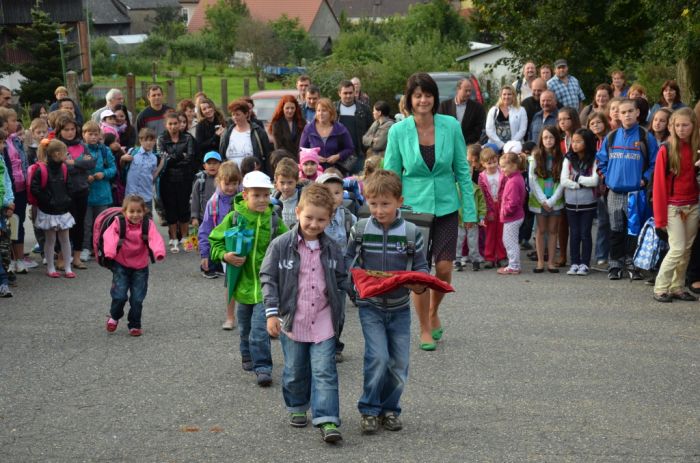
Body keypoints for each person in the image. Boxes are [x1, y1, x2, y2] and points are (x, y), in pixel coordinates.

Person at [383, 72, 476, 351]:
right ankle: (424, 327)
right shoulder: (398, 131)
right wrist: (387, 210)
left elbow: (462, 169)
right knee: (419, 274)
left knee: (444, 269)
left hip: (447, 206)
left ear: (435, 98)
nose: (423, 100)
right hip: (413, 211)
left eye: (428, 95)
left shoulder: (450, 126)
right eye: (417, 95)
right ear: (409, 100)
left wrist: (469, 212)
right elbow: (390, 174)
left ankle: (434, 311)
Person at [344, 169, 429, 434]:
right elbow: (348, 265)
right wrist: (356, 289)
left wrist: (419, 284)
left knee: (399, 363)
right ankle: (369, 409)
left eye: (385, 204)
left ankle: (390, 408)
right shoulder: (359, 229)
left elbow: (422, 269)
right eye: (373, 204)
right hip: (371, 308)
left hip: (400, 308)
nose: (379, 210)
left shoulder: (412, 232)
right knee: (377, 357)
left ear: (399, 201)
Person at [261, 183, 346, 443]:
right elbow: (268, 276)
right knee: (296, 370)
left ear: (330, 219)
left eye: (321, 219)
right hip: (292, 319)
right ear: (297, 212)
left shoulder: (332, 247)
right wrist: (271, 313)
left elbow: (342, 279)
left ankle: (327, 418)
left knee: (324, 370)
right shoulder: (281, 245)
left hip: (323, 320)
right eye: (309, 217)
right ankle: (297, 405)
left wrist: (358, 294)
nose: (313, 224)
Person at [208, 171, 288, 386]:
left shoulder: (273, 219)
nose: (262, 200)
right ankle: (247, 355)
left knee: (259, 330)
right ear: (245, 195)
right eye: (257, 195)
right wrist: (224, 256)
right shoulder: (234, 218)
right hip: (242, 286)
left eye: (266, 195)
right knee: (245, 327)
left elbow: (289, 243)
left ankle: (263, 367)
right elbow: (215, 240)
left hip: (266, 288)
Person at [596, 98, 658, 280]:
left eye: (630, 111)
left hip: (635, 193)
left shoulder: (646, 137)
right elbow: (601, 161)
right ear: (617, 115)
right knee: (615, 229)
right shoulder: (612, 137)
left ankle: (633, 263)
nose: (627, 115)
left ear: (637, 113)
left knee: (633, 229)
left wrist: (645, 179)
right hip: (614, 192)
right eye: (623, 112)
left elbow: (654, 163)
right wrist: (607, 178)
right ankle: (615, 264)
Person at [651, 108, 699, 302]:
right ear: (671, 126)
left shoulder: (695, 147)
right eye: (677, 125)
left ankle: (677, 287)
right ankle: (660, 287)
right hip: (673, 206)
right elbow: (659, 186)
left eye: (685, 125)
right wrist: (660, 217)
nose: (681, 129)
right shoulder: (666, 149)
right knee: (677, 248)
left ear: (693, 126)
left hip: (693, 205)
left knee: (686, 249)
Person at [104, 195, 166, 336]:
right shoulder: (118, 223)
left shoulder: (147, 224)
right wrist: (109, 252)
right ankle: (114, 316)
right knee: (119, 296)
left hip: (140, 267)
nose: (135, 215)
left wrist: (159, 252)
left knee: (137, 298)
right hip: (121, 264)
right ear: (124, 212)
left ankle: (135, 324)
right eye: (131, 211)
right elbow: (109, 237)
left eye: (139, 211)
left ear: (144, 211)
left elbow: (154, 238)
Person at [316, 172, 356, 363]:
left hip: (340, 272)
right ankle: (321, 343)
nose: (333, 197)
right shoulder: (314, 217)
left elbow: (357, 238)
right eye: (327, 192)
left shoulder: (348, 217)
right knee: (319, 309)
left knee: (338, 311)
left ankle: (336, 343)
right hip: (317, 271)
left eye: (337, 192)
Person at [198, 161, 241, 326]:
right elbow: (206, 228)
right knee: (230, 283)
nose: (231, 188)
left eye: (234, 184)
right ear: (218, 181)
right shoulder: (213, 202)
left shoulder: (244, 198)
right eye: (227, 184)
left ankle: (251, 316)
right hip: (226, 247)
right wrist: (205, 253)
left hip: (245, 244)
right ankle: (230, 317)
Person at [54, 115, 95, 271]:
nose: (70, 132)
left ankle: (76, 257)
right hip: (63, 191)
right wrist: (79, 164)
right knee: (63, 225)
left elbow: (90, 162)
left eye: (72, 129)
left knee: (79, 224)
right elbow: (60, 166)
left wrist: (73, 162)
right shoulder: (56, 145)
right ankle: (62, 257)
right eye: (66, 130)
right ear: (60, 130)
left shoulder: (81, 145)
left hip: (81, 190)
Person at [30, 139, 74, 278]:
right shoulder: (41, 170)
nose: (67, 155)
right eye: (65, 153)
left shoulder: (64, 169)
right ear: (56, 154)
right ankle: (50, 267)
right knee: (50, 240)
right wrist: (48, 201)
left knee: (65, 239)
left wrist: (68, 200)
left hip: (63, 209)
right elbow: (35, 189)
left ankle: (67, 267)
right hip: (48, 210)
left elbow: (70, 186)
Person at [560, 128, 599, 276]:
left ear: (587, 142)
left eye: (579, 141)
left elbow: (595, 180)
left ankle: (585, 263)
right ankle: (574, 262)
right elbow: (563, 180)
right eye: (573, 142)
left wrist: (575, 179)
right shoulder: (568, 158)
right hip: (570, 203)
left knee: (585, 233)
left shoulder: (594, 159)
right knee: (574, 234)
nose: (575, 145)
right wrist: (581, 184)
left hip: (588, 203)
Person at [528, 126, 564, 273]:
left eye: (551, 137)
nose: (548, 140)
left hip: (555, 199)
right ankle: (540, 261)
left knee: (553, 230)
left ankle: (551, 262)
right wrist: (543, 200)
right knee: (541, 230)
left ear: (556, 139)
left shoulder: (561, 157)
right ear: (541, 140)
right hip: (539, 199)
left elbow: (563, 180)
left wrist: (552, 200)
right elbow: (532, 179)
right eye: (545, 138)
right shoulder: (535, 156)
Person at [158, 112, 195, 253]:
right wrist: (180, 155)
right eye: (170, 124)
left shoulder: (187, 138)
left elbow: (190, 157)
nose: (173, 126)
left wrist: (173, 159)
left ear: (180, 124)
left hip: (185, 178)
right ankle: (173, 238)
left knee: (184, 207)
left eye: (176, 123)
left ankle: (185, 237)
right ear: (166, 125)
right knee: (171, 209)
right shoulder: (161, 138)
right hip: (167, 179)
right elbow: (163, 159)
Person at [0, 108, 30, 273]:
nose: (16, 123)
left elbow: (22, 164)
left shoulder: (15, 140)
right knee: (7, 225)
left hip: (19, 189)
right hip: (6, 192)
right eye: (12, 121)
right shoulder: (2, 143)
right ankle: (9, 260)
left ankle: (19, 260)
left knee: (18, 224)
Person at [82, 121, 116, 263]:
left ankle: (101, 247)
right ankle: (85, 248)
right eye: (90, 134)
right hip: (86, 193)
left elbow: (113, 169)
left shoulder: (105, 150)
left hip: (102, 193)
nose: (93, 137)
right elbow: (76, 168)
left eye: (96, 134)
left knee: (102, 223)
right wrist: (85, 176)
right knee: (87, 223)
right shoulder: (81, 150)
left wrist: (104, 174)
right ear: (84, 135)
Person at [299, 98, 354, 173]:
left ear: (331, 112)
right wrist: (314, 157)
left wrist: (338, 156)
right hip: (314, 172)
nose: (320, 113)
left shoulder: (340, 129)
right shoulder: (309, 129)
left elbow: (350, 148)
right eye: (318, 110)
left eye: (324, 110)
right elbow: (301, 151)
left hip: (336, 170)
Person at [586, 111, 612, 269]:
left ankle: (609, 255)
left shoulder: (610, 139)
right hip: (596, 184)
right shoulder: (592, 141)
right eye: (592, 123)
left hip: (608, 182)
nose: (595, 125)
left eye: (598, 122)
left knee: (611, 221)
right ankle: (601, 255)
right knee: (602, 221)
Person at [219, 99, 272, 173]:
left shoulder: (258, 132)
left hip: (252, 175)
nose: (235, 117)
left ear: (246, 114)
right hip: (232, 175)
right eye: (233, 115)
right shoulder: (227, 132)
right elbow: (222, 154)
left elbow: (267, 155)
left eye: (238, 114)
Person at [456, 144, 486, 271]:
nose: (468, 174)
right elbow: (452, 204)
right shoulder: (455, 187)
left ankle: (475, 260)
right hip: (459, 220)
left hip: (473, 220)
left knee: (473, 242)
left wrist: (481, 216)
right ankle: (456, 260)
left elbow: (481, 203)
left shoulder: (476, 188)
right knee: (458, 241)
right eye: (465, 172)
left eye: (470, 172)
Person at [497, 152, 526, 274]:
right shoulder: (514, 178)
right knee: (509, 240)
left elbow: (513, 202)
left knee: (509, 241)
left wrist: (505, 211)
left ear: (514, 166)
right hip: (514, 216)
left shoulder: (513, 181)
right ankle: (513, 264)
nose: (502, 170)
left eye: (504, 167)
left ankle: (514, 265)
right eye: (501, 167)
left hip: (512, 216)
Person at [335, 80, 373, 173]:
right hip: (337, 155)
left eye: (350, 93)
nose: (348, 95)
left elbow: (371, 130)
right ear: (339, 93)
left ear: (354, 93)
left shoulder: (364, 109)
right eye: (345, 93)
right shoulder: (333, 109)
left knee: (359, 183)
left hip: (358, 155)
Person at [122, 128, 162, 215]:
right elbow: (123, 168)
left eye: (151, 140)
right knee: (130, 220)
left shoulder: (154, 158)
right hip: (131, 195)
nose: (148, 143)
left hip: (146, 196)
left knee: (147, 222)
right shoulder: (132, 152)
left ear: (155, 141)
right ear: (140, 140)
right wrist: (122, 158)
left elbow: (153, 176)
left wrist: (162, 164)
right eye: (145, 140)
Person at [479, 147, 506, 269]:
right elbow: (482, 194)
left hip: (501, 206)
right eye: (489, 163)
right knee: (489, 234)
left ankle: (501, 256)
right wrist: (487, 210)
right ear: (483, 164)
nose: (493, 165)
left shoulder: (502, 173)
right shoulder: (482, 177)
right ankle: (489, 257)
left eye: (495, 161)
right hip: (489, 207)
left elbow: (506, 189)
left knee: (501, 233)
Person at [437, 78, 486, 145]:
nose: (468, 93)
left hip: (468, 146)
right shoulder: (444, 106)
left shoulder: (477, 108)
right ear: (458, 89)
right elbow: (440, 126)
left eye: (470, 91)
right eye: (466, 91)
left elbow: (478, 129)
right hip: (448, 144)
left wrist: (464, 142)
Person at [485, 85, 528, 150]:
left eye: (509, 94)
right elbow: (489, 130)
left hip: (514, 146)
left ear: (513, 96)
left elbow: (522, 130)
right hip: (495, 146)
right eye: (504, 94)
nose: (506, 97)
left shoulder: (521, 110)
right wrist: (501, 144)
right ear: (500, 96)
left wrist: (510, 145)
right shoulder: (493, 110)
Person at [190, 151, 222, 231]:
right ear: (204, 166)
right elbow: (195, 200)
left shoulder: (224, 181)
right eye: (209, 163)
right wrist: (194, 217)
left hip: (221, 219)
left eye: (215, 163)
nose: (212, 166)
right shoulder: (200, 181)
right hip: (204, 218)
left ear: (221, 165)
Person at [194, 98, 226, 166]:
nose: (207, 110)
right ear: (201, 112)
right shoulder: (200, 126)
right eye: (204, 109)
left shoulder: (222, 121)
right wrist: (215, 136)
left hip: (223, 157)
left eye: (209, 107)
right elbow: (199, 146)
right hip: (208, 159)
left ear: (213, 107)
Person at [272, 158, 302, 228]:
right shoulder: (273, 199)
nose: (286, 187)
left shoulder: (303, 197)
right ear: (276, 181)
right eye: (282, 182)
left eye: (290, 182)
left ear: (297, 180)